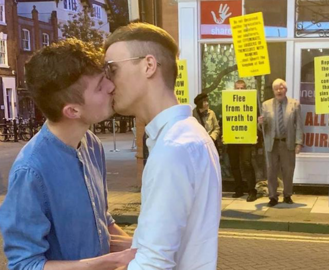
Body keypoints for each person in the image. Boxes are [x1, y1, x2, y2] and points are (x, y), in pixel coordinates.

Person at [0, 39, 136, 270]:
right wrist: (109, 262)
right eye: (99, 86)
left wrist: (143, 249)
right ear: (72, 110)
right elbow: (25, 264)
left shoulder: (91, 144)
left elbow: (102, 223)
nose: (111, 87)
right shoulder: (31, 171)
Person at [104, 23, 222, 269]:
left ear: (148, 65)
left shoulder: (173, 148)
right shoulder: (189, 135)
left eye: (112, 70)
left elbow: (153, 263)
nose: (108, 84)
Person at [258, 78, 303, 207]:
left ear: (285, 89)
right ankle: (272, 196)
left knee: (288, 170)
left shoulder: (295, 104)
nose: (279, 91)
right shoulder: (266, 105)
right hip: (271, 144)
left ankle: (287, 195)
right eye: (276, 88)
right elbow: (263, 128)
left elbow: (299, 125)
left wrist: (298, 143)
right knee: (271, 171)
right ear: (273, 90)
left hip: (287, 143)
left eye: (281, 88)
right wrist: (260, 124)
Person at [228, 80, 257, 202]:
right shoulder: (229, 101)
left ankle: (252, 190)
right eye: (237, 88)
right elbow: (225, 118)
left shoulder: (251, 102)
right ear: (234, 89)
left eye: (242, 88)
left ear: (246, 89)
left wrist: (256, 133)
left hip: (246, 138)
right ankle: (238, 188)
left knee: (246, 163)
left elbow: (255, 119)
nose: (240, 90)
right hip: (232, 137)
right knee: (234, 164)